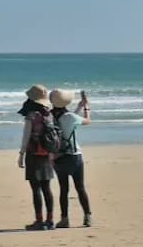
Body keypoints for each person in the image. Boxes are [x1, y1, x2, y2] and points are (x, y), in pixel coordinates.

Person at [50, 89, 93, 228]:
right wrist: (86, 107)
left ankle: (64, 219)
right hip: (74, 156)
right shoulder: (70, 117)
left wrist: (79, 106)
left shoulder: (49, 116)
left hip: (58, 157)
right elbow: (87, 121)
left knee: (64, 189)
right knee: (80, 187)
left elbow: (70, 118)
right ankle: (87, 217)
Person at [17, 85, 56, 230]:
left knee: (36, 189)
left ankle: (39, 221)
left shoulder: (31, 116)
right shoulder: (48, 115)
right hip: (47, 154)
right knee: (47, 188)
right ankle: (50, 221)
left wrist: (21, 154)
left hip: (33, 154)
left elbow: (26, 136)